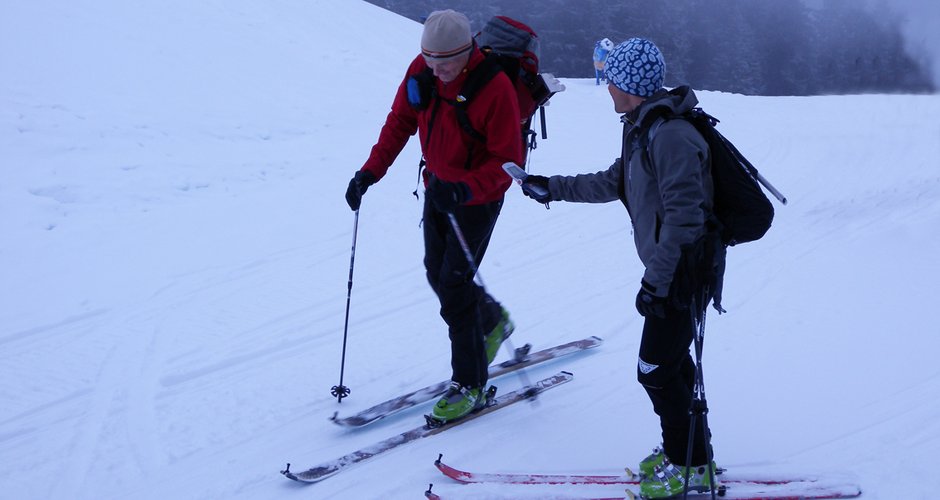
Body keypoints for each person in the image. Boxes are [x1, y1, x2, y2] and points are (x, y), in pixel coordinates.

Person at [520, 38, 721, 498]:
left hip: (684, 273)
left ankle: (689, 466)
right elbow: (616, 180)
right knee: (671, 365)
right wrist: (552, 186)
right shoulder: (641, 125)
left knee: (655, 369)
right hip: (673, 271)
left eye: (611, 79)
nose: (606, 86)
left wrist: (656, 283)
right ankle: (691, 457)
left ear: (628, 85)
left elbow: (684, 220)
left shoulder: (670, 135)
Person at [344, 10, 522, 425]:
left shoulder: (493, 87)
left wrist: (463, 188)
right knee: (435, 272)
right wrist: (369, 172)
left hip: (476, 198)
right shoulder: (422, 70)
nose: (438, 71)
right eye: (431, 62)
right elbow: (400, 121)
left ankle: (471, 383)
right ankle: (492, 322)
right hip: (438, 191)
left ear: (466, 53)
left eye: (446, 64)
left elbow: (509, 164)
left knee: (454, 284)